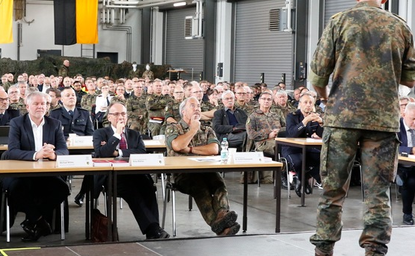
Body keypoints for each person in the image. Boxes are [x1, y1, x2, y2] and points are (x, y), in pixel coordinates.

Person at [307, 0, 415, 256]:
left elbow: (318, 74)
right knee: (377, 196)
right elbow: (410, 79)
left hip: (341, 119)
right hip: (382, 122)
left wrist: (327, 98)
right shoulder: (399, 27)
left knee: (332, 192)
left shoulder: (339, 22)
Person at [164, 97, 240, 236]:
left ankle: (222, 214)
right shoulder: (173, 128)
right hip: (183, 175)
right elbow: (178, 146)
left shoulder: (207, 129)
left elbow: (214, 149)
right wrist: (193, 129)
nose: (197, 109)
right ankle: (220, 224)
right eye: (193, 106)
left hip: (206, 171)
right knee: (201, 188)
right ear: (183, 111)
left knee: (219, 184)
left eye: (198, 106)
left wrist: (190, 149)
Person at [93, 102, 168, 240]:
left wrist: (118, 152)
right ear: (109, 117)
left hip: (134, 173)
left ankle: (153, 229)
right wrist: (117, 135)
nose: (120, 117)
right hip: (112, 176)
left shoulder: (134, 134)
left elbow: (141, 152)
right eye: (116, 114)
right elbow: (102, 154)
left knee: (148, 187)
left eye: (123, 114)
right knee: (131, 191)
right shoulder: (100, 133)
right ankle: (153, 229)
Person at [4, 92, 70, 242]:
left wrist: (53, 155)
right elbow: (12, 151)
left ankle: (32, 221)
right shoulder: (17, 123)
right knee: (17, 188)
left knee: (62, 189)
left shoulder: (55, 124)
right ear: (27, 107)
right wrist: (36, 154)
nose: (40, 107)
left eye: (43, 104)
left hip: (45, 173)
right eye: (36, 104)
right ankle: (40, 222)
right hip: (21, 173)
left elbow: (64, 150)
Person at [284, 93, 323, 196]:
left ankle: (306, 175)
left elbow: (321, 135)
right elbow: (292, 134)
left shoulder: (314, 116)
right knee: (299, 161)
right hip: (292, 148)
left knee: (324, 157)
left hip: (307, 148)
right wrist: (305, 121)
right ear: (300, 104)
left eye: (310, 103)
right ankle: (303, 180)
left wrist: (321, 123)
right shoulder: (291, 116)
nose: (308, 105)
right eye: (305, 102)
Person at [245, 90, 284, 184]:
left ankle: (287, 176)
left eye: (269, 99)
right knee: (277, 147)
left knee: (287, 147)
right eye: (264, 99)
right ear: (259, 101)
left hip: (277, 140)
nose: (266, 101)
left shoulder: (276, 115)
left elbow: (286, 127)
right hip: (261, 143)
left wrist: (278, 131)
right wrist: (268, 134)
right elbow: (251, 134)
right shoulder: (253, 116)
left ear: (272, 101)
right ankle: (278, 177)